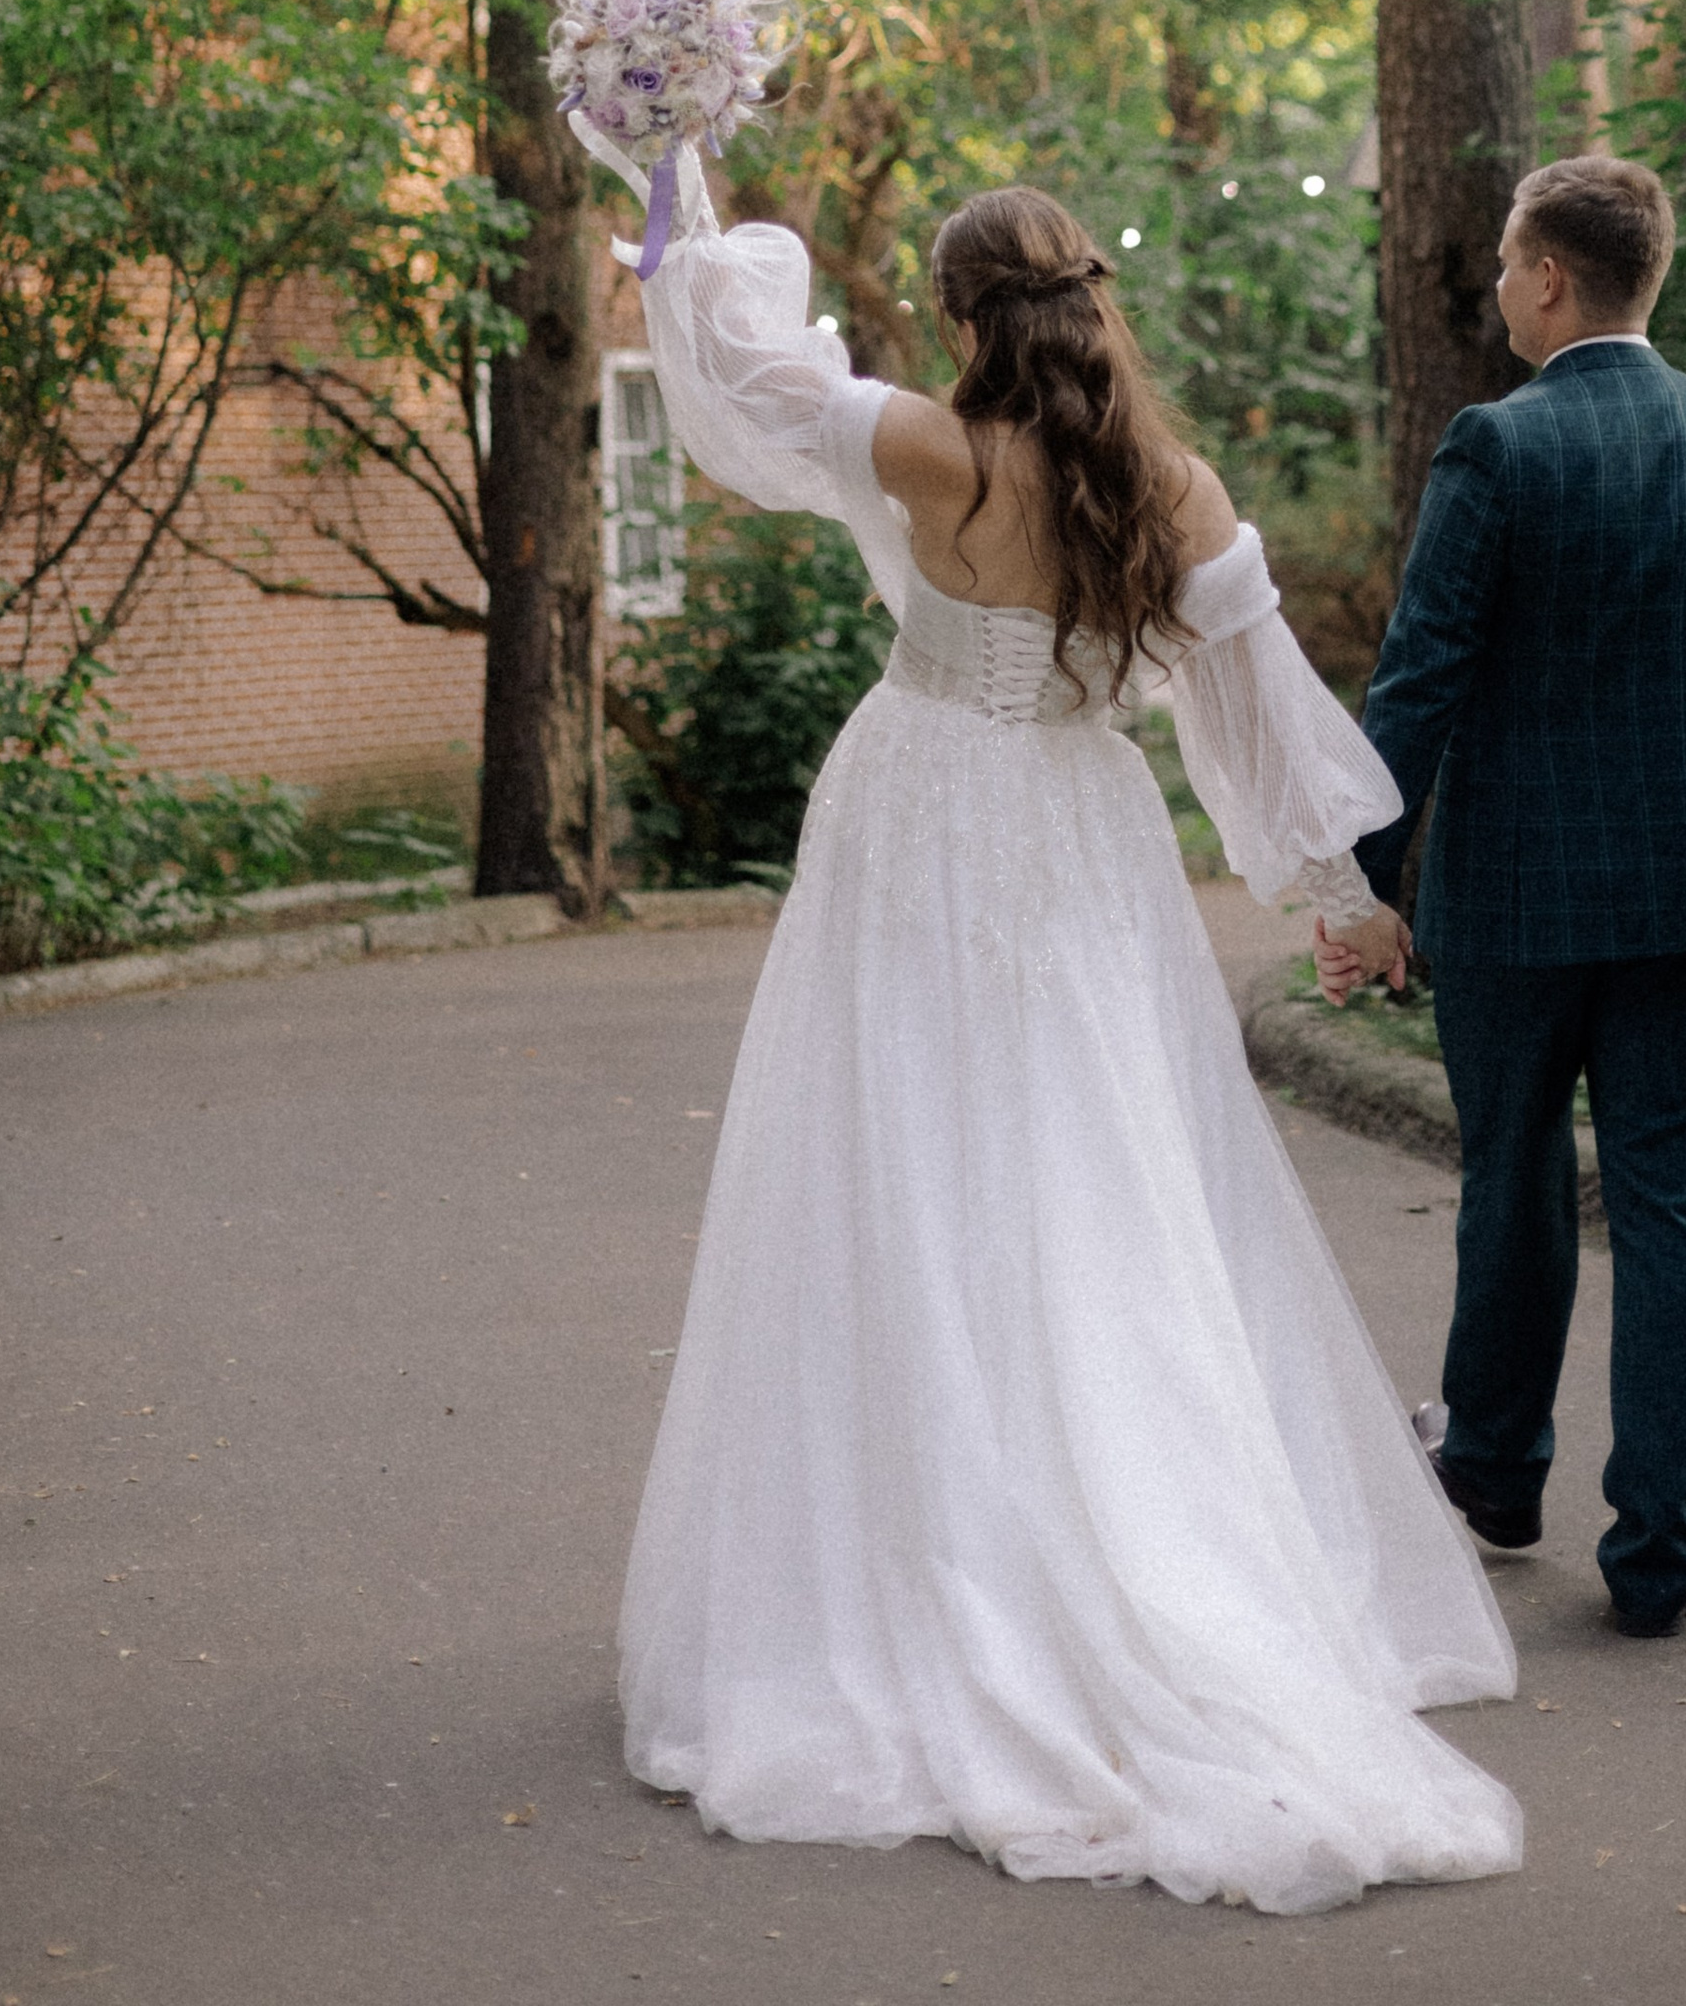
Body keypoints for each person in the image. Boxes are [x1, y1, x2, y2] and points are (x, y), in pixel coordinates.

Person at [597, 160, 1521, 1915]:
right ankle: (1143, 1553)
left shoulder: (924, 449)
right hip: (1083, 848)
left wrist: (680, 184)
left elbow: (736, 376)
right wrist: (1338, 901)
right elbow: (1256, 719)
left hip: (914, 817)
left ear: (960, 319)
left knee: (903, 1173)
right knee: (1098, 1184)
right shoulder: (1175, 489)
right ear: (1095, 306)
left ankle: (914, 1573)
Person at [1318, 153, 1686, 1640]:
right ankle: (1658, 1559)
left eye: (1500, 262)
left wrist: (1361, 876)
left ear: (1550, 277)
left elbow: (1420, 681)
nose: (1491, 285)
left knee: (1516, 1177)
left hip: (1523, 897)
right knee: (1673, 1212)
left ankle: (1491, 1475)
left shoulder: (1501, 447)